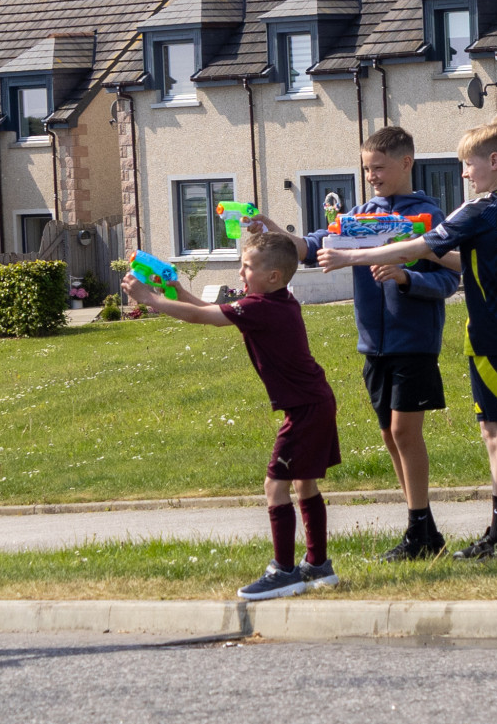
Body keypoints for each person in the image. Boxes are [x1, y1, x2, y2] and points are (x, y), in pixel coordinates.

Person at [320, 116, 497, 560]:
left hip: (492, 332)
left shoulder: (479, 210)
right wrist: (435, 255)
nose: (464, 173)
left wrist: (349, 256)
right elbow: (471, 262)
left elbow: (418, 247)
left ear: (494, 161)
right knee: (491, 432)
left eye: (468, 164)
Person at [253, 126, 459, 561]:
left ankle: (419, 529)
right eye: (366, 169)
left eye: (379, 167)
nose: (371, 176)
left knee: (404, 432)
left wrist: (406, 278)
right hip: (373, 346)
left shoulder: (428, 217)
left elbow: (448, 280)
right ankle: (424, 530)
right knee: (389, 435)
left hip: (414, 342)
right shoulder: (361, 215)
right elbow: (312, 246)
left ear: (406, 163)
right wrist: (272, 230)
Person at [121, 231, 340, 600]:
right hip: (314, 402)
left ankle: (285, 572)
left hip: (305, 409)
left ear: (273, 275)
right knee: (304, 483)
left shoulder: (260, 308)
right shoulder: (273, 301)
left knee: (275, 486)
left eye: (247, 267)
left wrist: (149, 298)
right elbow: (206, 311)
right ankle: (318, 566)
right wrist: (174, 290)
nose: (241, 272)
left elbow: (200, 317)